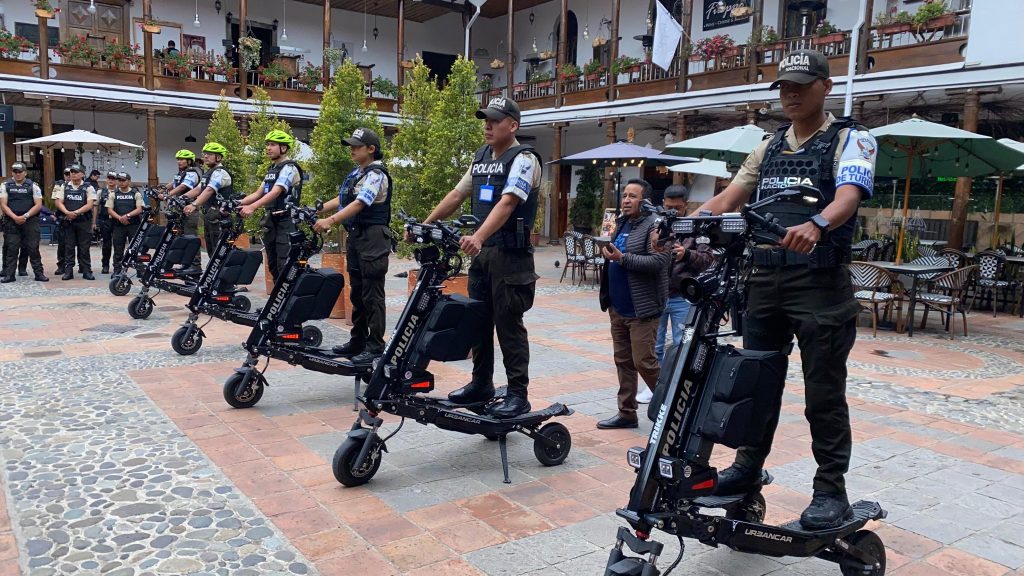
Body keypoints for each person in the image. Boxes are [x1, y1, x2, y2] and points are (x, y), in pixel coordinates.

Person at [694, 49, 877, 530]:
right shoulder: (769, 146)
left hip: (818, 284)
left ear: (825, 87)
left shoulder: (851, 140)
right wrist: (690, 222)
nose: (790, 94)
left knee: (823, 394)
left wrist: (818, 223)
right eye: (784, 87)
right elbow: (732, 194)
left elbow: (848, 198)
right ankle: (747, 469)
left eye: (801, 84)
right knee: (756, 383)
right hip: (765, 282)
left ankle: (830, 492)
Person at [419, 97, 541, 419]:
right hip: (483, 255)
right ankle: (481, 384)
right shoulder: (482, 157)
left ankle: (518, 394)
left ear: (512, 125)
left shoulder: (524, 159)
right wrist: (425, 224)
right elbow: (458, 195)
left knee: (508, 326)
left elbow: (508, 202)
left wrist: (478, 236)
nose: (487, 125)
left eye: (495, 120)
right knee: (478, 322)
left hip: (510, 257)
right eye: (485, 119)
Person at [313, 128, 392, 365]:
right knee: (357, 292)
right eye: (351, 145)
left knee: (372, 294)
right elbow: (343, 198)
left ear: (371, 149)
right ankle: (357, 340)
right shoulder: (358, 173)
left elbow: (360, 203)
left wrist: (330, 220)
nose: (352, 149)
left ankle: (375, 346)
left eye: (357, 146)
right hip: (358, 237)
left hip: (373, 238)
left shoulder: (376, 174)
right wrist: (319, 210)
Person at [595, 179, 670, 429]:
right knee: (623, 361)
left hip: (643, 309)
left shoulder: (656, 226)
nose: (626, 200)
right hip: (618, 306)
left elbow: (660, 261)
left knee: (644, 362)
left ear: (645, 200)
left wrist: (622, 258)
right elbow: (615, 256)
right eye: (624, 195)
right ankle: (626, 413)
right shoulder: (621, 223)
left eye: (632, 196)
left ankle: (670, 407)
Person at [647, 185, 713, 378]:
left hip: (682, 296)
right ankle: (656, 385)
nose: (673, 211)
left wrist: (687, 254)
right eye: (669, 207)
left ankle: (675, 383)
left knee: (680, 344)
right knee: (654, 345)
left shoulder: (699, 227)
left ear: (686, 205)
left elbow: (707, 260)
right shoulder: (658, 225)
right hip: (657, 294)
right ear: (663, 204)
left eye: (678, 207)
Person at [239, 130, 302, 282]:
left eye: (272, 145)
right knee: (273, 264)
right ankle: (277, 303)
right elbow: (259, 193)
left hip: (286, 221)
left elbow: (275, 192)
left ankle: (287, 303)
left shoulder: (289, 168)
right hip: (271, 222)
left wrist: (253, 207)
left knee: (284, 263)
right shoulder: (271, 170)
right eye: (267, 145)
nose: (268, 148)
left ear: (284, 148)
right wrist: (238, 203)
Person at [183, 142, 235, 258]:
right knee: (211, 249)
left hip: (219, 217)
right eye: (204, 154)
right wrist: (182, 198)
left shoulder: (220, 173)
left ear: (219, 157)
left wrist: (194, 204)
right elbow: (199, 189)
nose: (205, 156)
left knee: (219, 251)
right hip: (209, 216)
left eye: (210, 154)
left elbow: (209, 190)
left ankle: (222, 275)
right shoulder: (208, 173)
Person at [0, 162, 48, 282]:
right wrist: (14, 217)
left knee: (33, 248)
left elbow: (38, 205)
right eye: (15, 172)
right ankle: (9, 274)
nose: (17, 174)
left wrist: (25, 216)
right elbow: (3, 205)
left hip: (30, 220)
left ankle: (39, 273)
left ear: (25, 173)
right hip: (11, 220)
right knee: (12, 248)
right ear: (12, 173)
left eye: (20, 172)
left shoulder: (33, 186)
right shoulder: (5, 185)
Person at [53, 164, 96, 280]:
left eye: (76, 172)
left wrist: (75, 213)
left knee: (84, 247)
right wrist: (67, 212)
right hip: (68, 221)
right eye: (71, 172)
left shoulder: (88, 187)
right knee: (69, 247)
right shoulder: (64, 186)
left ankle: (87, 271)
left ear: (82, 174)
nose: (73, 174)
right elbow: (58, 202)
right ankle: (68, 271)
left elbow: (90, 204)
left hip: (83, 221)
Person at [165, 150, 204, 269]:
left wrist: (168, 195)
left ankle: (195, 265)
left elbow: (184, 186)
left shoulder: (192, 172)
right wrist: (160, 189)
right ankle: (185, 263)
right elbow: (173, 183)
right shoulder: (181, 172)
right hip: (180, 209)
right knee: (180, 237)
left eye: (182, 159)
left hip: (190, 210)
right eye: (178, 159)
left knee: (190, 237)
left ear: (189, 161)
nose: (179, 161)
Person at [108, 172, 145, 273]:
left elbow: (139, 209)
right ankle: (117, 270)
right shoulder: (113, 194)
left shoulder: (135, 193)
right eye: (119, 180)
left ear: (129, 181)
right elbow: (109, 210)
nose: (121, 182)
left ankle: (139, 271)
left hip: (133, 225)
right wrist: (120, 218)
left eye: (123, 180)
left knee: (136, 248)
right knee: (118, 249)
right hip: (118, 226)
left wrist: (127, 216)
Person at [92, 171, 115, 274]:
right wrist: (94, 222)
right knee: (106, 245)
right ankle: (105, 265)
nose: (111, 180)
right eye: (109, 178)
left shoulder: (119, 192)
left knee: (119, 245)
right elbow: (95, 208)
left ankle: (117, 266)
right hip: (104, 220)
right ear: (106, 179)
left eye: (113, 178)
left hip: (117, 221)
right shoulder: (101, 192)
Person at [52, 167, 71, 276]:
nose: (68, 175)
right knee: (62, 244)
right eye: (66, 174)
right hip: (63, 217)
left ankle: (83, 266)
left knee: (81, 245)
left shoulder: (83, 185)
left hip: (78, 217)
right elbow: (56, 201)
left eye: (70, 173)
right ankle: (62, 265)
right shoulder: (59, 185)